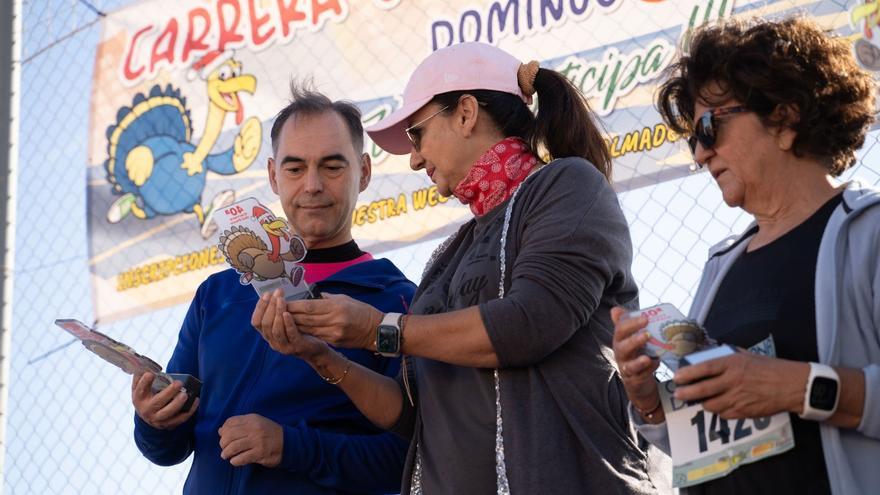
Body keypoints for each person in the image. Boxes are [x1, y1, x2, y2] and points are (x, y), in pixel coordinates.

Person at [253, 42, 669, 494]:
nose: (413, 159)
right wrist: (321, 356)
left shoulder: (566, 185)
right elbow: (414, 413)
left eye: (417, 135)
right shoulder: (448, 256)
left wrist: (378, 330)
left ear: (466, 113)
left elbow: (529, 323)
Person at [611, 17, 880, 494]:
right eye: (693, 139)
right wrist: (651, 402)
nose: (699, 154)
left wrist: (799, 387)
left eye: (710, 128)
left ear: (784, 118)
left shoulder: (869, 233)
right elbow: (712, 442)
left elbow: (779, 391)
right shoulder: (722, 267)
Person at [130, 84, 416, 494]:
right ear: (272, 176)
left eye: (333, 166)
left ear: (365, 172)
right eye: (295, 168)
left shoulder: (397, 300)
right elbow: (167, 449)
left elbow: (407, 460)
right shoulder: (218, 293)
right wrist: (154, 419)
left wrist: (291, 446)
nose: (312, 185)